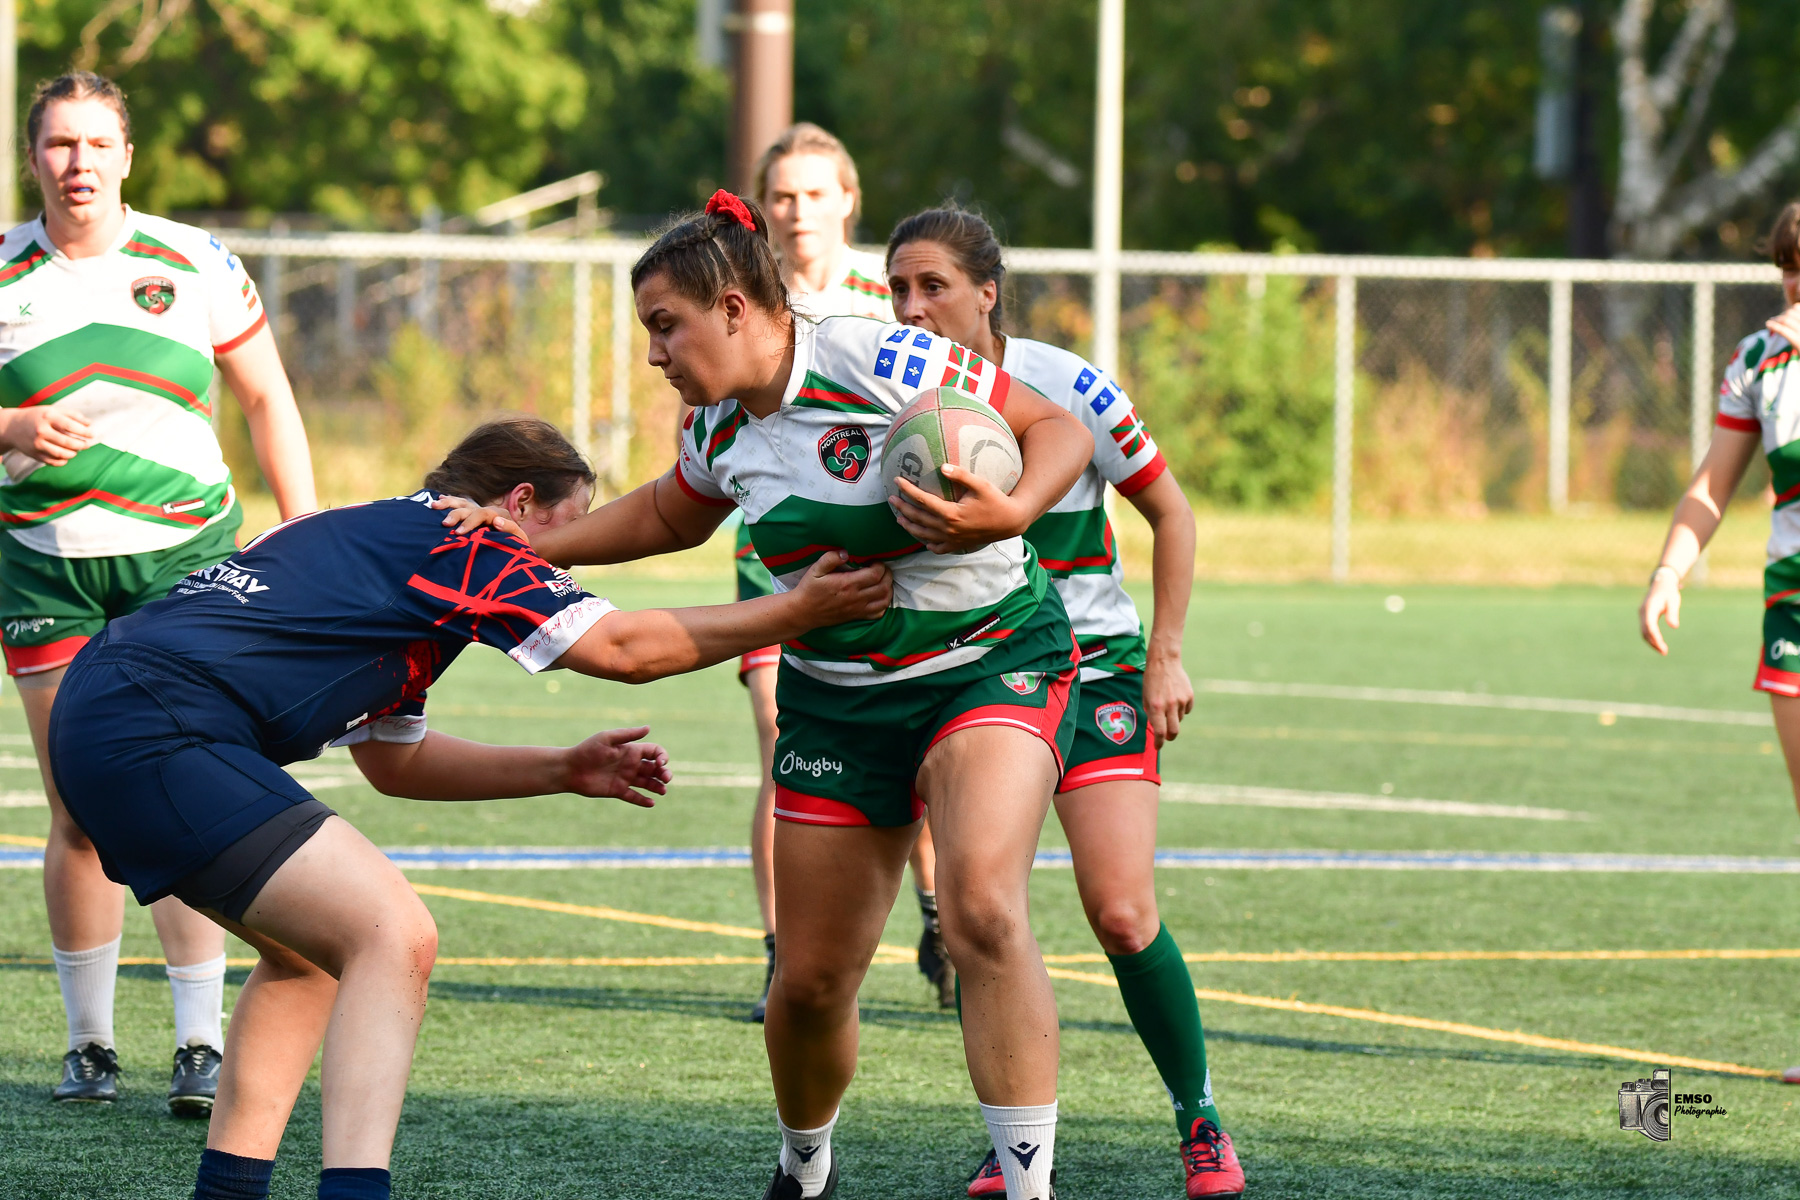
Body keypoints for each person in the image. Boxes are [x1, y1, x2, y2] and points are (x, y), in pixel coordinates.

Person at [48, 415, 891, 1200]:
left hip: (109, 708)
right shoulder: (467, 541)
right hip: (158, 726)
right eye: (570, 530)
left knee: (307, 958)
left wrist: (563, 768)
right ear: (519, 503)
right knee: (394, 934)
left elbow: (396, 763)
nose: (568, 562)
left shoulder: (371, 534)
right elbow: (624, 649)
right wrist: (796, 611)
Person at [448, 191, 1093, 1200]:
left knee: (980, 911)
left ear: (737, 309)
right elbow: (670, 513)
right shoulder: (716, 425)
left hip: (988, 657)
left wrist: (1007, 511)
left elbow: (1056, 428)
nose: (655, 354)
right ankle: (804, 1164)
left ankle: (1029, 1186)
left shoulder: (878, 356)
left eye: (667, 326)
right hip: (837, 699)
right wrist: (532, 544)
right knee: (813, 979)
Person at [885, 205, 1245, 1199]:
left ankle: (1199, 1117)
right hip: (976, 675)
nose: (911, 308)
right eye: (898, 288)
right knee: (981, 916)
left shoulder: (1066, 384)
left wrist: (1166, 655)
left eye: (933, 287)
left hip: (1094, 667)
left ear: (987, 292)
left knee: (1122, 911)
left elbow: (1171, 510)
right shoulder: (883, 394)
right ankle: (1017, 1139)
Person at [0, 71, 317, 1113]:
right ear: (32, 157)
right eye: (59, 144)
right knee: (78, 809)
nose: (78, 162)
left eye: (98, 143)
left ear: (128, 156)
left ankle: (199, 1044)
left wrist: (302, 524)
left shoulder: (195, 260)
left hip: (181, 565)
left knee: (183, 794)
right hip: (43, 566)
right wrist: (9, 428)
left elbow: (266, 395)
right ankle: (88, 1046)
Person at [740, 124, 948, 1015]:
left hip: (889, 542)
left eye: (815, 194)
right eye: (783, 196)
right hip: (778, 551)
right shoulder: (746, 297)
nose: (799, 212)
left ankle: (939, 916)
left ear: (848, 201)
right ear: (764, 207)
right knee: (778, 733)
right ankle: (783, 952)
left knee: (916, 739)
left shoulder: (886, 297)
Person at [1641, 201, 1800, 1088]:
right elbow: (1712, 486)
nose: (1796, 285)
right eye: (1790, 267)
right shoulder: (1759, 361)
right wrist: (1671, 570)